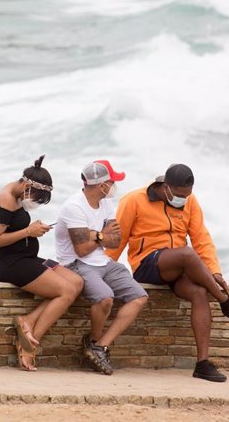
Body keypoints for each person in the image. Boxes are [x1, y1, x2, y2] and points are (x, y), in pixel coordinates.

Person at [107, 163, 229, 383]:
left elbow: (201, 238)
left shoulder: (190, 201)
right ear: (165, 187)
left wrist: (214, 270)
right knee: (186, 254)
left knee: (199, 293)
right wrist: (103, 271)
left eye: (187, 196)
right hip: (147, 264)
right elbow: (115, 242)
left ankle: (202, 364)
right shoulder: (134, 200)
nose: (183, 200)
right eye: (179, 195)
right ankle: (226, 303)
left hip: (179, 267)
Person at [0, 155, 84, 371]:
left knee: (76, 282)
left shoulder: (17, 195)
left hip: (25, 258)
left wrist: (32, 230)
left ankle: (28, 321)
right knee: (65, 292)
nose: (36, 204)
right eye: (37, 199)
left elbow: (14, 229)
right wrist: (29, 231)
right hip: (9, 264)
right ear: (27, 186)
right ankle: (29, 344)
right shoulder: (6, 199)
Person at [55, 160, 148, 375]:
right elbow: (81, 250)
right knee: (105, 298)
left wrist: (96, 236)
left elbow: (115, 240)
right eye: (112, 181)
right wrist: (101, 235)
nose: (114, 185)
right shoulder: (74, 207)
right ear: (101, 184)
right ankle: (94, 341)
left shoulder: (105, 203)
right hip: (76, 264)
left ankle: (99, 346)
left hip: (103, 260)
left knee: (139, 296)